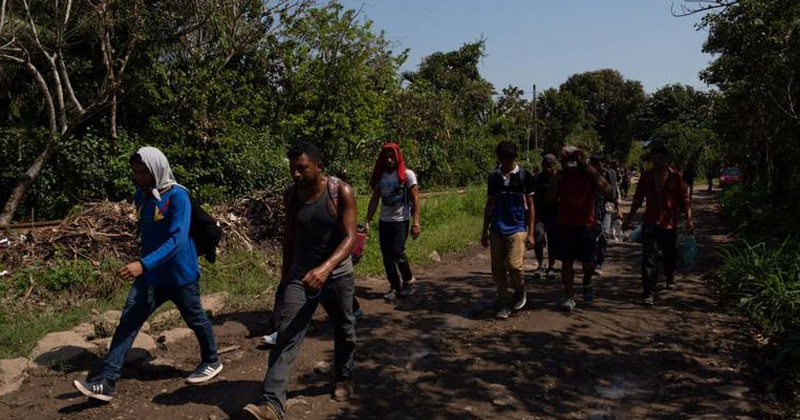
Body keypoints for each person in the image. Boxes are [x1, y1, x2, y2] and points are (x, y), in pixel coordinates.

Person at [72, 147, 222, 402]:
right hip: (151, 276)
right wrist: (147, 264)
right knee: (129, 322)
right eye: (136, 172)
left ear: (157, 169)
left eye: (144, 172)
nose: (139, 177)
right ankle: (107, 381)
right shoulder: (141, 196)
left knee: (195, 318)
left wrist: (144, 264)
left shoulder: (178, 197)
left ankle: (211, 360)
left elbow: (177, 239)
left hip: (179, 275)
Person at [243, 141, 357, 420]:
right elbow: (290, 237)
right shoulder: (291, 195)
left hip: (337, 274)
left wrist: (325, 269)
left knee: (344, 328)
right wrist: (285, 278)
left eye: (302, 168)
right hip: (301, 274)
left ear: (319, 166)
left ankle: (343, 377)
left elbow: (350, 238)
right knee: (287, 334)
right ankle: (272, 403)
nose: (296, 174)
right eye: (292, 168)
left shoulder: (341, 192)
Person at [622, 144, 693, 306]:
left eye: (660, 158)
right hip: (650, 221)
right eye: (654, 159)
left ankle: (670, 276)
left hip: (669, 223)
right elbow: (638, 198)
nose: (657, 161)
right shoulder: (646, 176)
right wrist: (628, 218)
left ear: (665, 158)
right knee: (649, 257)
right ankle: (648, 292)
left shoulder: (676, 177)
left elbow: (685, 200)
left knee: (669, 253)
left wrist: (689, 219)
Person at [546, 146, 612, 312]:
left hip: (586, 226)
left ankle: (587, 282)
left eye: (572, 160)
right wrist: (554, 182)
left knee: (588, 264)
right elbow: (549, 201)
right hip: (565, 225)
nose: (569, 164)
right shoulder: (560, 177)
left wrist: (593, 172)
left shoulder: (588, 175)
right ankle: (569, 297)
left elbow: (607, 190)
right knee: (566, 262)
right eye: (565, 161)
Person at [480, 140, 535, 320]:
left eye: (508, 159)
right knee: (497, 269)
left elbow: (531, 207)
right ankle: (504, 302)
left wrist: (531, 233)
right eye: (502, 159)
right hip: (497, 228)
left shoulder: (525, 176)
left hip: (517, 228)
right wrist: (484, 230)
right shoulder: (493, 177)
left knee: (514, 265)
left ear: (514, 158)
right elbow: (490, 204)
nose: (505, 163)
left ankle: (519, 287)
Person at [364, 143, 421, 301]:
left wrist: (416, 222)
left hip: (401, 220)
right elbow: (375, 199)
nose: (390, 160)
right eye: (386, 157)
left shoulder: (407, 175)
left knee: (397, 251)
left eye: (392, 156)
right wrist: (367, 219)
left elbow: (415, 199)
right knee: (387, 256)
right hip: (385, 221)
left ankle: (408, 279)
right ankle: (395, 286)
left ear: (398, 157)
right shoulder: (381, 176)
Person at [591, 154, 622, 276]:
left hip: (606, 208)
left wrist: (618, 208)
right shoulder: (588, 175)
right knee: (592, 236)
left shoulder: (610, 174)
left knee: (604, 235)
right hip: (591, 209)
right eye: (594, 164)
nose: (597, 167)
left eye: (599, 164)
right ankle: (591, 260)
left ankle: (599, 263)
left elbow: (615, 190)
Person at [533, 154, 559, 280]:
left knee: (553, 242)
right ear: (542, 166)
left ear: (555, 166)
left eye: (551, 166)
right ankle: (539, 265)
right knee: (538, 239)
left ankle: (551, 267)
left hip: (555, 215)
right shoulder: (536, 179)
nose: (549, 169)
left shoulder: (558, 179)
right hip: (540, 215)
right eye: (546, 166)